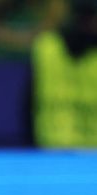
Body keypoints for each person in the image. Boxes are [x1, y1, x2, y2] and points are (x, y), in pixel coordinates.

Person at [31, 0, 97, 148]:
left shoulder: (46, 46)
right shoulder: (46, 47)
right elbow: (28, 101)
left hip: (61, 149)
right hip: (52, 149)